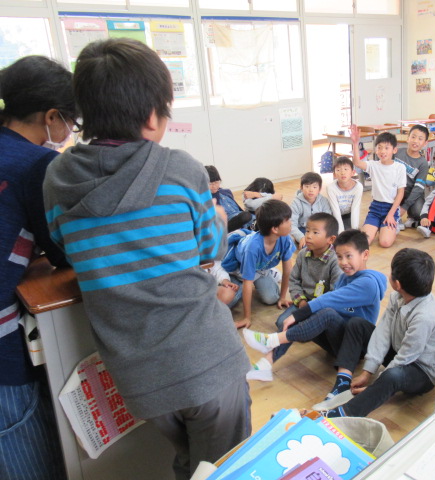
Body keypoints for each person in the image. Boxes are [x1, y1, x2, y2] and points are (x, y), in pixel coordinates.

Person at [42, 38, 251, 479]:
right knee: (225, 468)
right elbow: (210, 251)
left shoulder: (58, 178)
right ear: (154, 116)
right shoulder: (181, 169)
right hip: (207, 361)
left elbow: (65, 245)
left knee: (186, 461)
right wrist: (217, 218)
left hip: (139, 380)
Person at [0, 55, 75, 480]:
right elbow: (62, 249)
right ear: (51, 117)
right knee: (26, 451)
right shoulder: (35, 164)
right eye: (70, 121)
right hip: (3, 351)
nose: (69, 132)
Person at [313, 249, 435, 418]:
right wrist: (367, 371)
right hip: (399, 351)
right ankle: (342, 382)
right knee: (357, 324)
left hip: (422, 371)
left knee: (392, 376)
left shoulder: (425, 317)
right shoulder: (397, 296)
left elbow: (407, 356)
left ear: (397, 283)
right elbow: (383, 331)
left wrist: (374, 387)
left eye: (391, 272)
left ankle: (344, 413)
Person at [243, 230, 387, 382]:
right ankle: (266, 364)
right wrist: (301, 315)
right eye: (339, 257)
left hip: (355, 349)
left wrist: (298, 314)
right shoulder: (344, 277)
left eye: (348, 256)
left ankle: (273, 340)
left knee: (325, 313)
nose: (343, 262)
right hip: (338, 338)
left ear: (365, 255)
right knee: (311, 313)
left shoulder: (368, 283)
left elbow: (330, 299)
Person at [222, 199, 295, 328]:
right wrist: (246, 318)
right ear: (275, 229)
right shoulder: (252, 248)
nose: (291, 223)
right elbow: (247, 282)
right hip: (237, 267)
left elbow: (288, 271)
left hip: (260, 268)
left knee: (271, 298)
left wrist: (283, 297)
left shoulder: (285, 239)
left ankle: (267, 272)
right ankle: (239, 278)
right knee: (231, 299)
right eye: (287, 220)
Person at [275, 213, 342, 331]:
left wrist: (314, 307)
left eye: (315, 232)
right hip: (304, 302)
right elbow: (294, 280)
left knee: (315, 327)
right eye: (307, 231)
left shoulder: (335, 261)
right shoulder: (302, 254)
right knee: (281, 323)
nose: (308, 236)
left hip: (323, 306)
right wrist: (301, 301)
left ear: (331, 239)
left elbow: (335, 293)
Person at [351, 129, 407, 248]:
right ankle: (378, 226)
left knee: (385, 243)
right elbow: (357, 162)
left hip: (391, 208)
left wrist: (391, 214)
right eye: (379, 147)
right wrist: (355, 143)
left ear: (394, 150)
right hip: (375, 208)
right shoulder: (373, 165)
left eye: (386, 148)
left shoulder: (400, 168)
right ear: (376, 150)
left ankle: (390, 226)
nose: (382, 151)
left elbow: (400, 193)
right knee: (364, 242)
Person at [394, 124, 431, 229]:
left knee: (418, 212)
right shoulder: (397, 152)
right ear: (408, 138)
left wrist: (404, 207)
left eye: (420, 139)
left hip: (411, 192)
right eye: (413, 137)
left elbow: (418, 188)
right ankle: (395, 217)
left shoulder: (423, 163)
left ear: (425, 143)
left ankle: (412, 217)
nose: (415, 141)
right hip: (395, 189)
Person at [290, 172, 332, 248]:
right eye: (307, 186)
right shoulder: (296, 202)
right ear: (301, 188)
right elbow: (292, 224)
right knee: (308, 247)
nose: (311, 190)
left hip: (319, 229)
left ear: (319, 189)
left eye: (314, 187)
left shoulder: (324, 201)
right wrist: (300, 237)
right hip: (303, 229)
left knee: (330, 244)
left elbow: (328, 219)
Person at [205, 165, 253, 232]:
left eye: (216, 182)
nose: (214, 186)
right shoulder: (205, 197)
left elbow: (238, 209)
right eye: (210, 184)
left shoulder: (226, 192)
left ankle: (251, 227)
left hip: (241, 216)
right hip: (228, 223)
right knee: (246, 216)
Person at [326, 156, 363, 233]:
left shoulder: (358, 187)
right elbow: (335, 211)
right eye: (338, 170)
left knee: (351, 232)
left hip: (348, 215)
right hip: (334, 216)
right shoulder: (331, 188)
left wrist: (354, 232)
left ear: (353, 172)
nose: (342, 173)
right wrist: (341, 233)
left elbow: (355, 209)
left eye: (346, 169)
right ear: (334, 174)